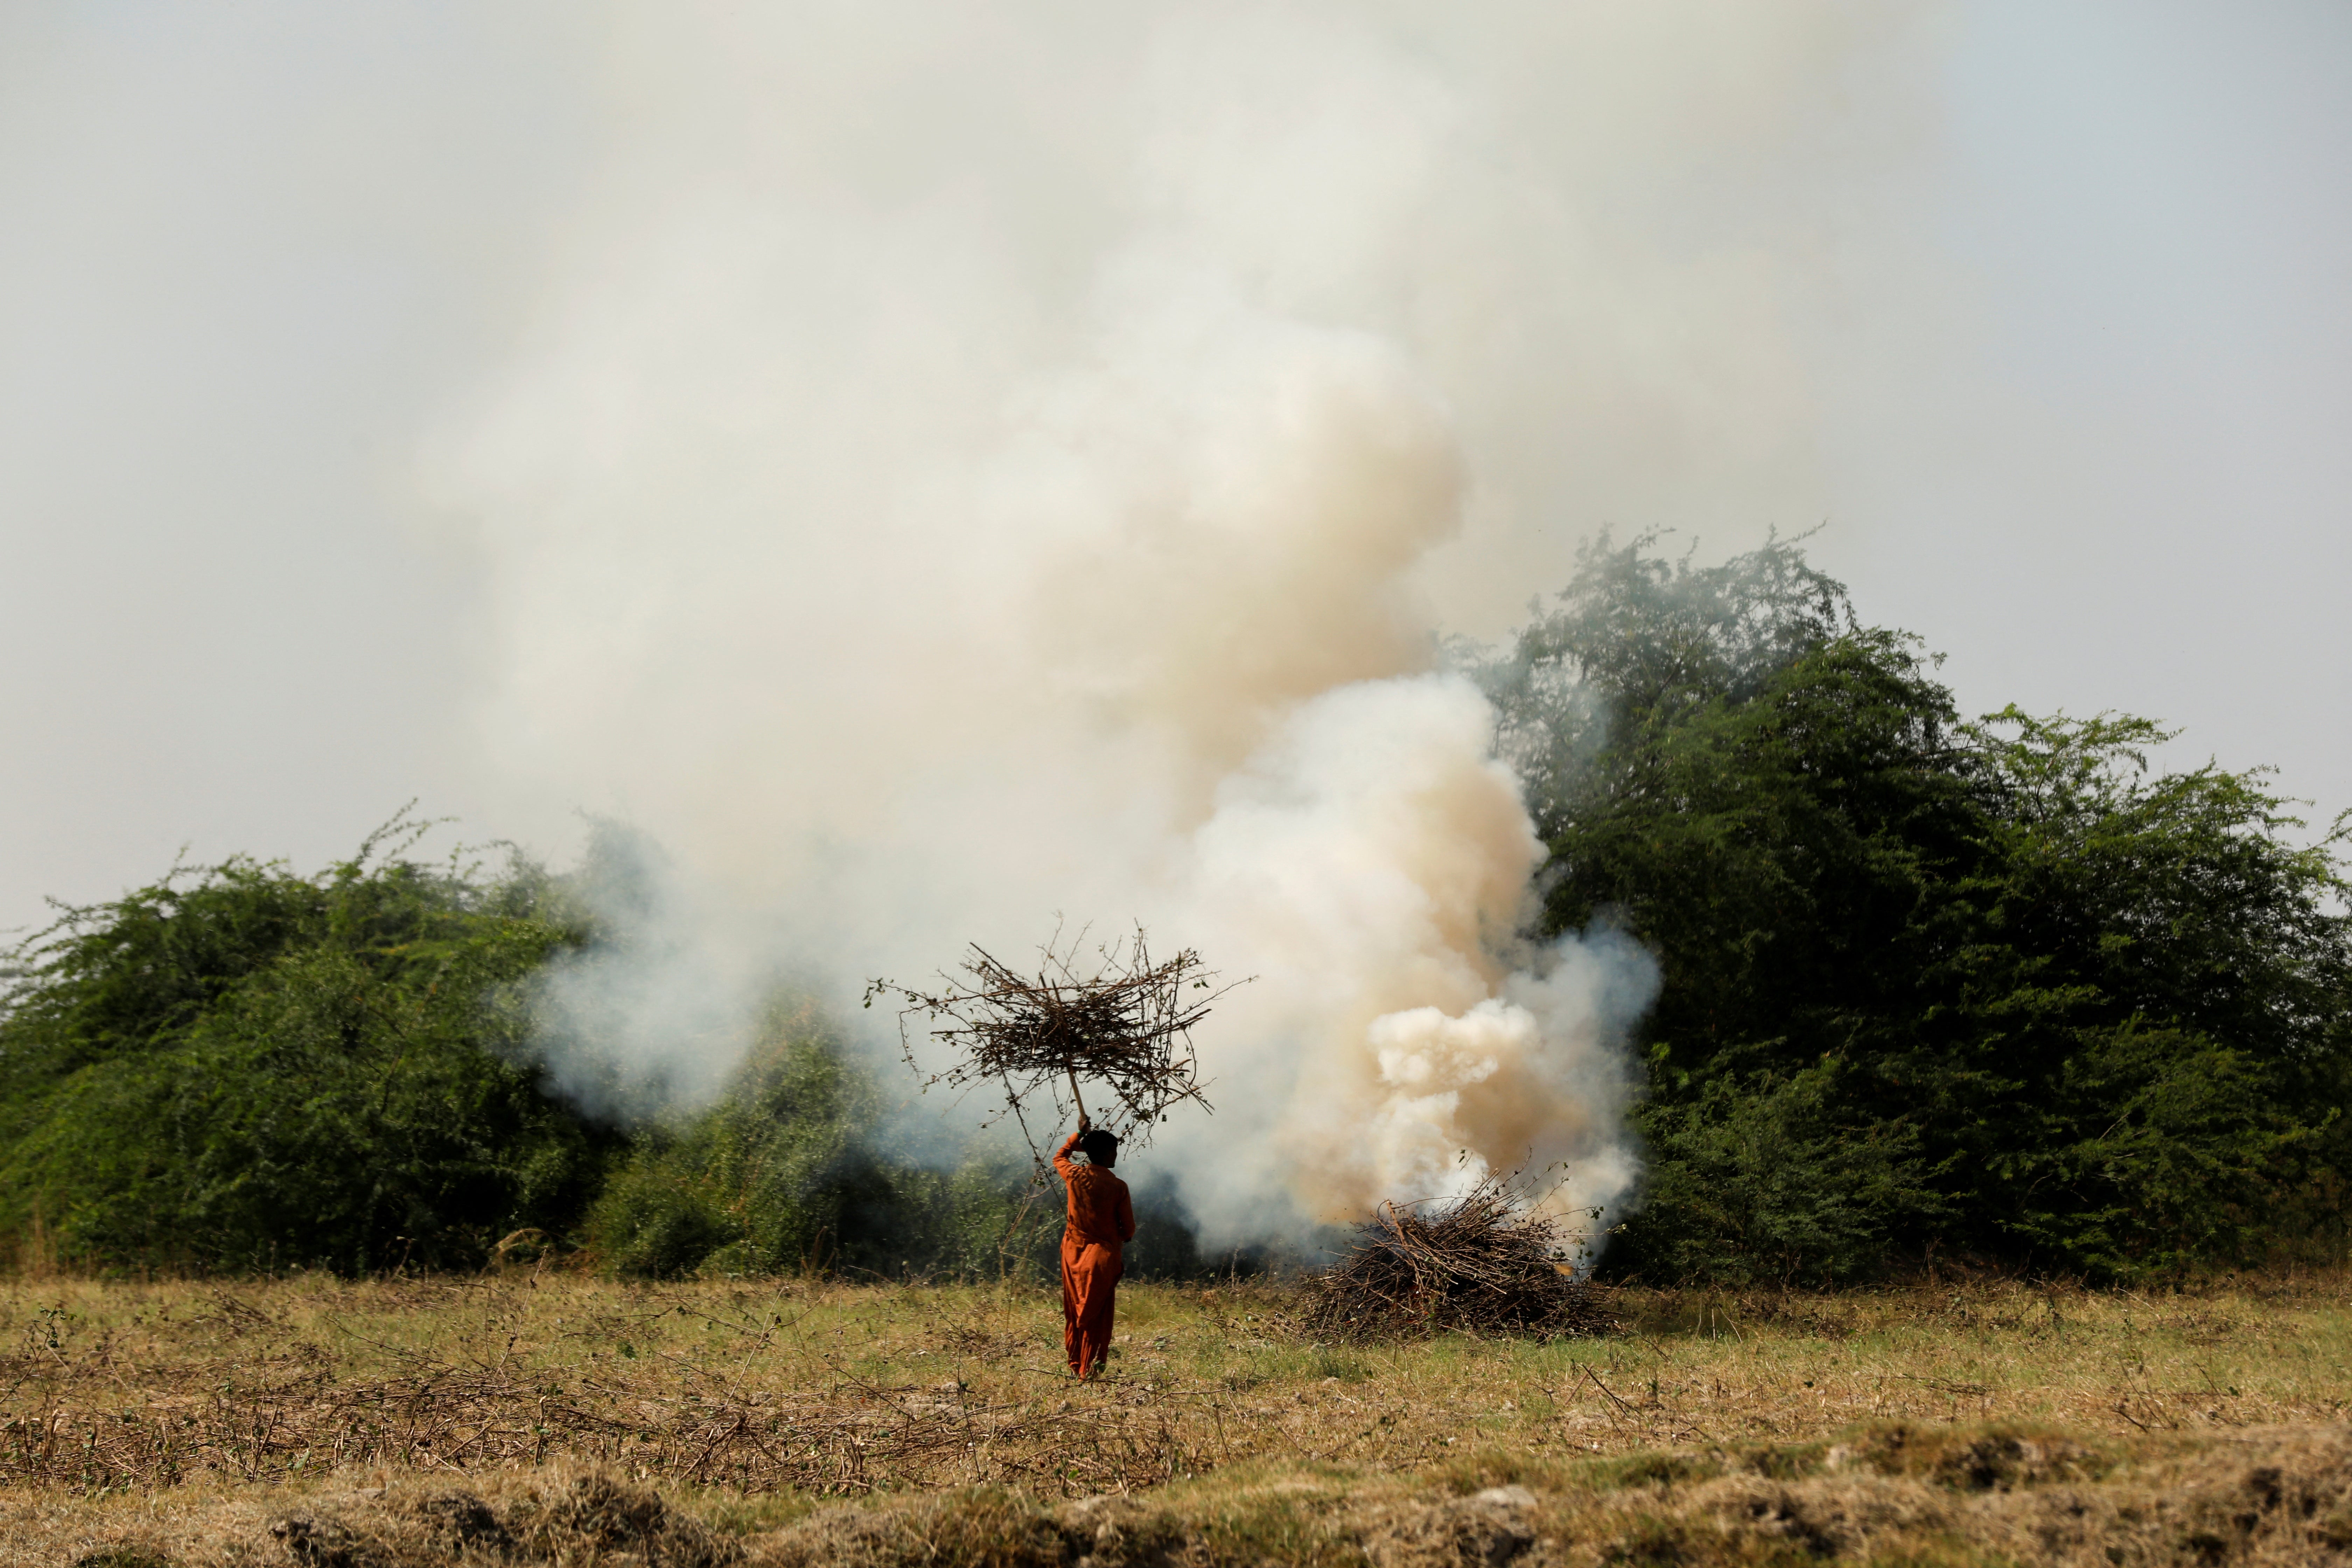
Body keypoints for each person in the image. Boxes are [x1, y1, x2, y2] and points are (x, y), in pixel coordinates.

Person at [1052, 1114, 1134, 1379]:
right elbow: (1129, 1229)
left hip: (1072, 1254)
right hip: (1102, 1260)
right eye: (1114, 1150)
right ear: (1107, 1152)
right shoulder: (1119, 1187)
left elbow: (1059, 1157)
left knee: (1075, 1312)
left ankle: (1077, 1365)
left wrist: (1079, 1135)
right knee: (1097, 1316)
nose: (1116, 1155)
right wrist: (1121, 1237)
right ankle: (1092, 1370)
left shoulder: (1074, 1176)